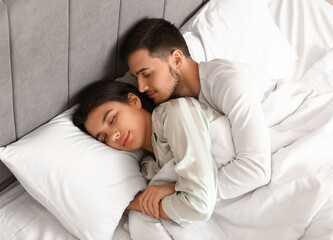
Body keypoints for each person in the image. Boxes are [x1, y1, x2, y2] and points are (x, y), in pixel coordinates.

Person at [120, 18, 271, 200]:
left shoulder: (227, 83)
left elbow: (256, 169)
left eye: (147, 74)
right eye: (136, 78)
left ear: (176, 59)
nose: (141, 87)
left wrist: (179, 190)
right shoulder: (171, 110)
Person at [73, 80, 222, 226]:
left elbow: (198, 206)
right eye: (104, 138)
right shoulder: (147, 171)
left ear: (133, 100)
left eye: (112, 119)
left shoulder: (176, 113)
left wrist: (136, 202)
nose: (113, 136)